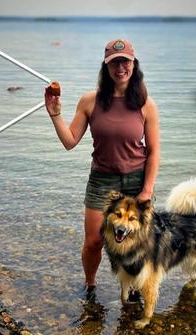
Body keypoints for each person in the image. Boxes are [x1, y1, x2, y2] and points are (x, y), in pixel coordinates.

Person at [44, 39, 160, 299]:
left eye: (125, 62)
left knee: (138, 241)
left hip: (136, 180)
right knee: (94, 240)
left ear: (134, 65)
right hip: (101, 181)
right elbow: (70, 141)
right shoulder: (89, 101)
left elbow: (153, 151)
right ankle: (90, 284)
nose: (120, 67)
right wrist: (55, 115)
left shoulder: (146, 104)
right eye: (114, 62)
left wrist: (147, 189)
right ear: (106, 67)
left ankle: (134, 288)